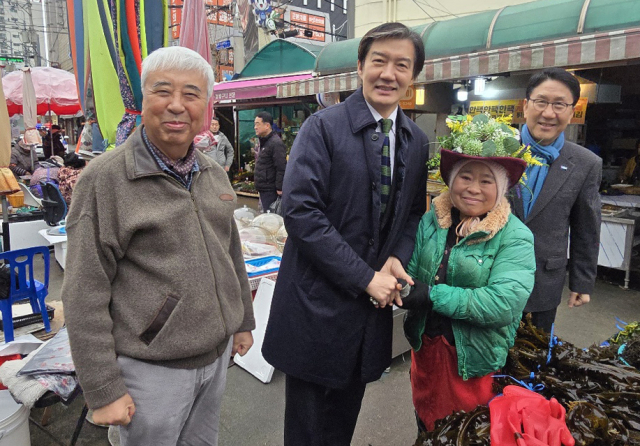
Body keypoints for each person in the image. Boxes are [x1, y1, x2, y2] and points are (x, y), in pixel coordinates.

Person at [61, 46, 255, 446]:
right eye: (163, 91)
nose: (176, 105)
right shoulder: (105, 180)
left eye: (191, 94)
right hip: (151, 367)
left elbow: (230, 253)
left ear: (206, 106)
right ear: (144, 98)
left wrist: (242, 321)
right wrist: (103, 388)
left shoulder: (213, 172)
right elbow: (83, 291)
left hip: (216, 356)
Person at [262, 22, 429, 445]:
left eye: (401, 65)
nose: (388, 74)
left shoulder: (415, 140)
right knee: (306, 429)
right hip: (315, 302)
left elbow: (413, 213)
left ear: (413, 75)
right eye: (379, 61)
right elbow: (301, 212)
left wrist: (397, 257)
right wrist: (366, 277)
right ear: (360, 66)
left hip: (366, 313)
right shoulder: (323, 127)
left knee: (342, 423)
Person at [402, 148, 536, 433]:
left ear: (501, 188)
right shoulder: (432, 221)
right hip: (426, 354)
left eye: (486, 181)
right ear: (452, 181)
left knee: (465, 432)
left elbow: (502, 304)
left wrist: (432, 295)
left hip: (474, 363)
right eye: (465, 177)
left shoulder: (515, 236)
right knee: (426, 426)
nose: (473, 188)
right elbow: (411, 273)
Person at [510, 67, 602, 333]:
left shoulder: (585, 163)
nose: (549, 113)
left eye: (559, 104)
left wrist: (582, 282)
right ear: (526, 106)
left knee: (533, 352)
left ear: (571, 112)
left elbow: (586, 227)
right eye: (541, 102)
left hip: (543, 281)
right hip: (487, 277)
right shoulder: (496, 149)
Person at [253, 111, 286, 212]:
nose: (255, 127)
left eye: (258, 124)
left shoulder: (276, 143)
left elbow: (281, 167)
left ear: (267, 125)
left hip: (271, 190)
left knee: (271, 217)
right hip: (264, 189)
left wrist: (279, 188)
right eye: (255, 124)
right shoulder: (264, 141)